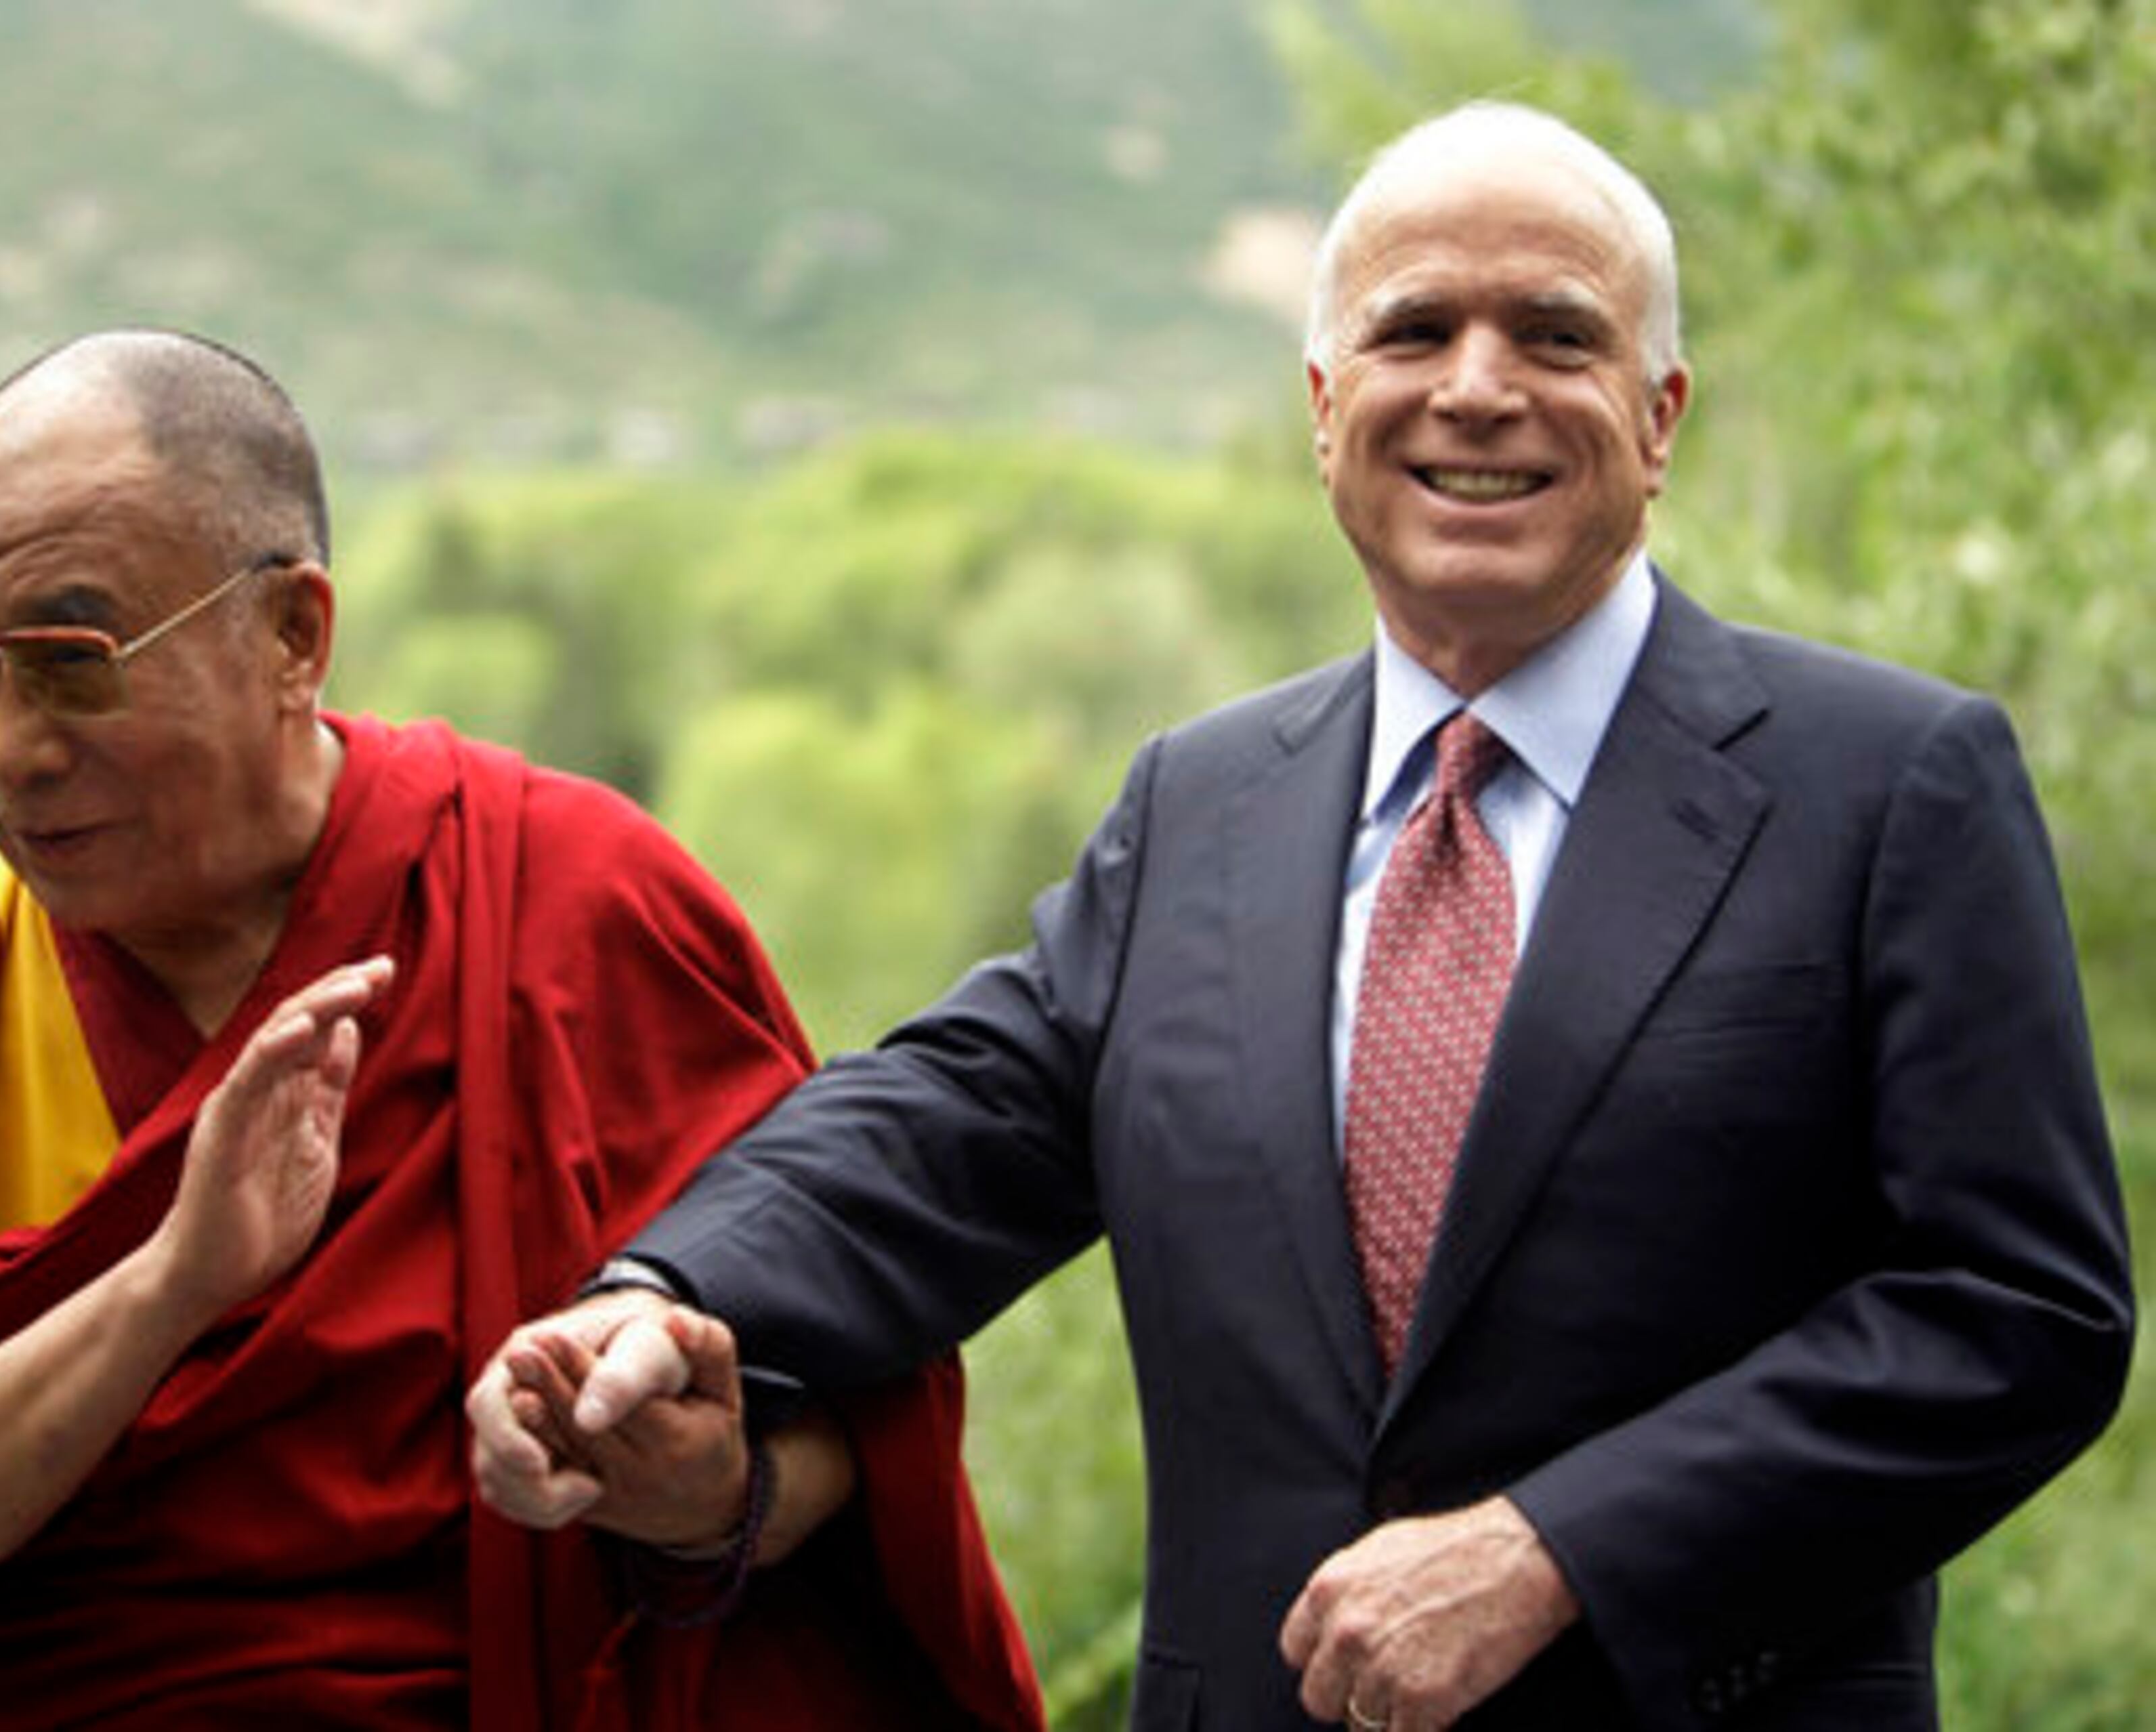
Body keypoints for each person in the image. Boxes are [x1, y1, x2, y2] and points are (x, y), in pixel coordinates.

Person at [471, 103, 2136, 1731]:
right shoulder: (1203, 801)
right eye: (1417, 329)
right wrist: (659, 1292)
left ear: (1660, 411)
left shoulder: (1888, 782)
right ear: (1327, 406)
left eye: (1556, 334)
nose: (1478, 388)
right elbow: (951, 1120)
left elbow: (2018, 1313)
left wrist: (1560, 1547)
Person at [0, 329, 1043, 1731]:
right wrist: (170, 1285)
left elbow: (853, 1410)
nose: (7, 749)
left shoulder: (571, 900)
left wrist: (705, 1498)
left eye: (72, 663)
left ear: (293, 635)